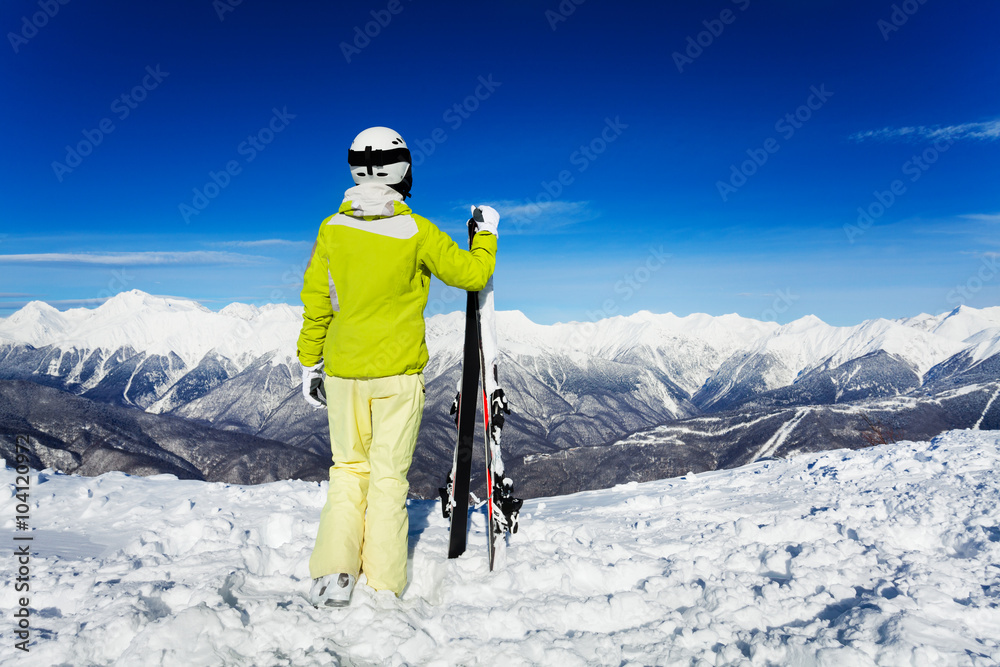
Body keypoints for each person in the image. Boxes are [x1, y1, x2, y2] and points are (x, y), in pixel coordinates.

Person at [296, 126, 499, 607]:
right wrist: (486, 233)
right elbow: (472, 275)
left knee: (347, 470)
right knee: (388, 477)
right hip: (398, 376)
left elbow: (317, 303)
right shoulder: (417, 231)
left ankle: (333, 574)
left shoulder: (332, 230)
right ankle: (384, 584)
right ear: (404, 170)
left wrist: (310, 363)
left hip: (343, 373)